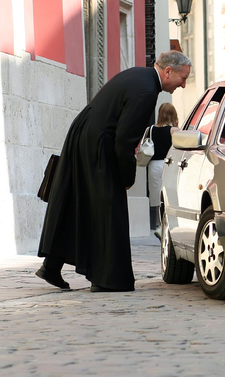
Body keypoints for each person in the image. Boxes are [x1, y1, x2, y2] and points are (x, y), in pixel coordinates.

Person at [36, 51, 191, 292]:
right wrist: (126, 176)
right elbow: (125, 141)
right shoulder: (147, 91)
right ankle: (105, 278)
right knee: (109, 210)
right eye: (183, 78)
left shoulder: (140, 76)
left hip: (85, 135)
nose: (183, 84)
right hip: (99, 142)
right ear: (168, 71)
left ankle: (51, 266)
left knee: (79, 202)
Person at [146, 103, 179, 237]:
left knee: (155, 195)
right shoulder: (174, 130)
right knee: (169, 194)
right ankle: (167, 225)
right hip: (168, 164)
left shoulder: (150, 129)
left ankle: (158, 224)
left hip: (153, 165)